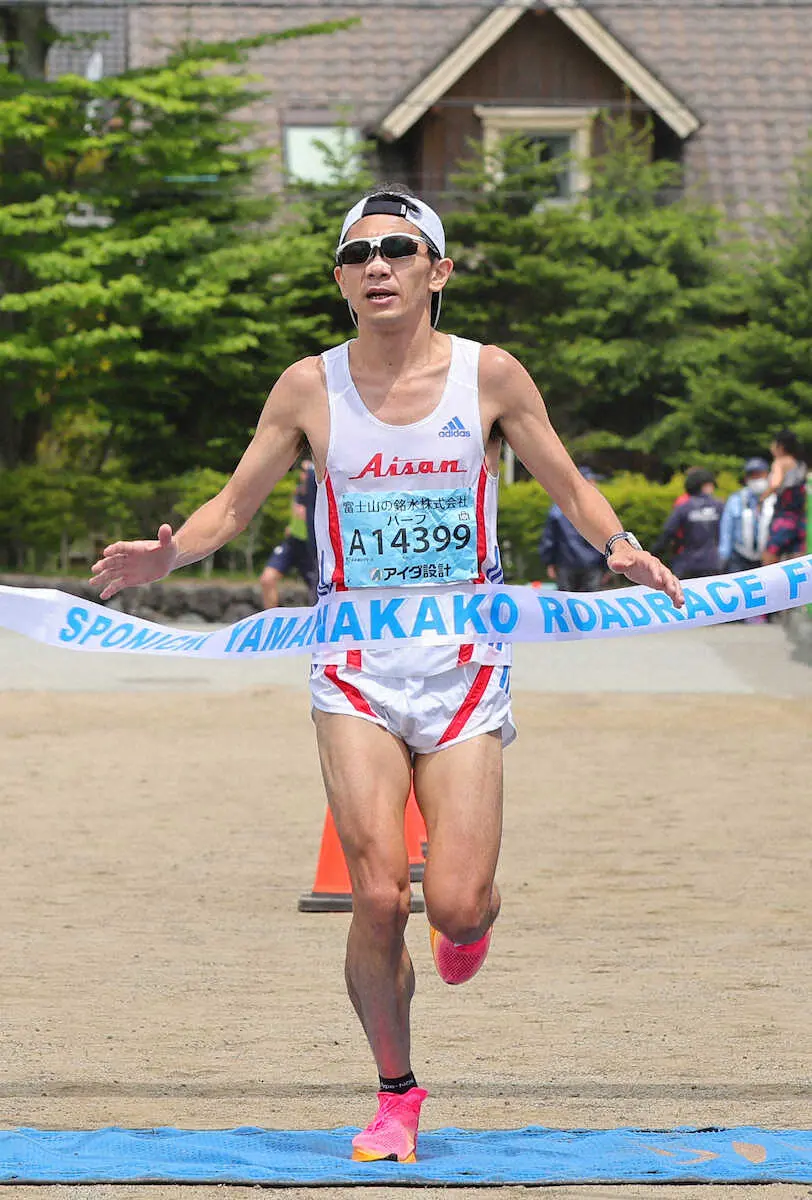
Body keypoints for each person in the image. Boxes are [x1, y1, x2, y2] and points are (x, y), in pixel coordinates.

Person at [90, 188, 683, 1165]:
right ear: (338, 279)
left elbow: (568, 481)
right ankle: (395, 1095)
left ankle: (466, 924)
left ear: (435, 272)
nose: (375, 265)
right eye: (356, 252)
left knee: (453, 902)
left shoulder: (489, 377)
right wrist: (167, 558)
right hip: (354, 671)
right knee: (373, 897)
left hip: (463, 669)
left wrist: (617, 545)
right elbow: (234, 507)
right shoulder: (306, 387)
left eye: (398, 249)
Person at [538, 466, 608, 591]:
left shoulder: (558, 508)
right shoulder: (600, 509)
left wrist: (549, 562)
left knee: (566, 605)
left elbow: (549, 539)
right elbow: (607, 537)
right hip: (592, 564)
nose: (595, 484)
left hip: (565, 563)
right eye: (592, 481)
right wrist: (607, 566)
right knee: (590, 605)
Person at [259, 458, 317, 609]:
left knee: (317, 590)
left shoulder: (318, 495)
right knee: (267, 579)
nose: (303, 475)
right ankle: (273, 622)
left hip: (310, 547)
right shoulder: (298, 491)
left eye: (308, 471)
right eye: (302, 471)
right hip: (292, 543)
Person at [652, 467, 724, 579]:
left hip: (687, 563)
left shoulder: (683, 508)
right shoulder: (720, 506)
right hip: (713, 562)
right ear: (705, 485)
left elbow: (668, 533)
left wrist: (653, 555)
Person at [719, 457, 774, 573]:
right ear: (746, 478)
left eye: (759, 475)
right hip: (740, 558)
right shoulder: (736, 499)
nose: (756, 479)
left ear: (767, 475)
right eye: (752, 475)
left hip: (768, 559)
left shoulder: (776, 499)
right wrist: (723, 557)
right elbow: (726, 530)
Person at [761, 430, 807, 565]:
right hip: (799, 519)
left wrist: (762, 498)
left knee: (769, 560)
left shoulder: (780, 462)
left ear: (780, 446)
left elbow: (775, 483)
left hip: (783, 517)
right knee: (797, 564)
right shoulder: (801, 464)